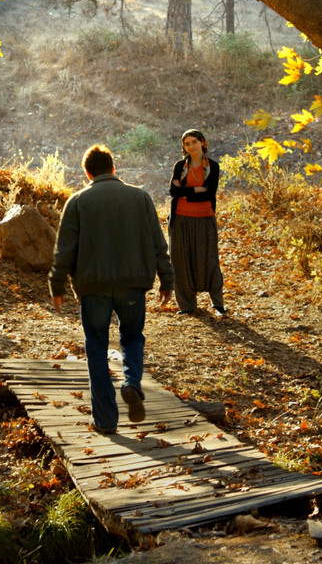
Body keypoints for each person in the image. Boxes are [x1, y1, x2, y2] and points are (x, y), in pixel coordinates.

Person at [50, 145, 174, 434]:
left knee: (96, 347)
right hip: (133, 284)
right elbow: (158, 242)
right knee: (131, 337)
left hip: (93, 287)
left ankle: (106, 420)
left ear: (87, 173)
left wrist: (57, 285)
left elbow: (64, 249)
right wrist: (167, 279)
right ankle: (131, 384)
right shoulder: (140, 197)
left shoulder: (78, 201)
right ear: (114, 168)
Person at [168, 129, 226, 317]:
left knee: (209, 260)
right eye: (187, 143)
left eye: (194, 142)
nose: (191, 146)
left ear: (202, 142)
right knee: (181, 262)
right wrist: (197, 190)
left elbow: (209, 194)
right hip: (180, 219)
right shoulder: (179, 166)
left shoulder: (213, 167)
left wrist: (186, 192)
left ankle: (218, 306)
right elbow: (173, 192)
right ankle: (187, 306)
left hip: (204, 217)